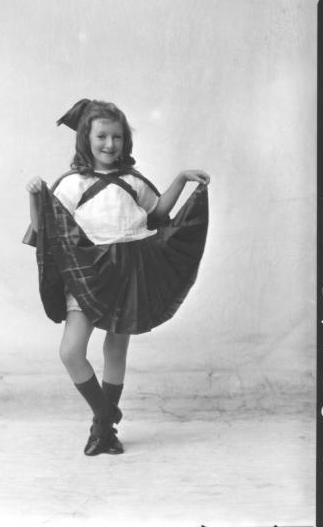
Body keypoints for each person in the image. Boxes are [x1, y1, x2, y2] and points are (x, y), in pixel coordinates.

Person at [23, 99, 210, 456]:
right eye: (102, 136)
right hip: (90, 273)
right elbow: (42, 227)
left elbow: (159, 212)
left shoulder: (132, 181)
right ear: (86, 138)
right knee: (71, 351)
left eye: (118, 137)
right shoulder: (71, 184)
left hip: (132, 271)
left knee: (115, 347)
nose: (110, 144)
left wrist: (182, 179)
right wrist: (35, 196)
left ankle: (102, 429)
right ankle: (106, 413)